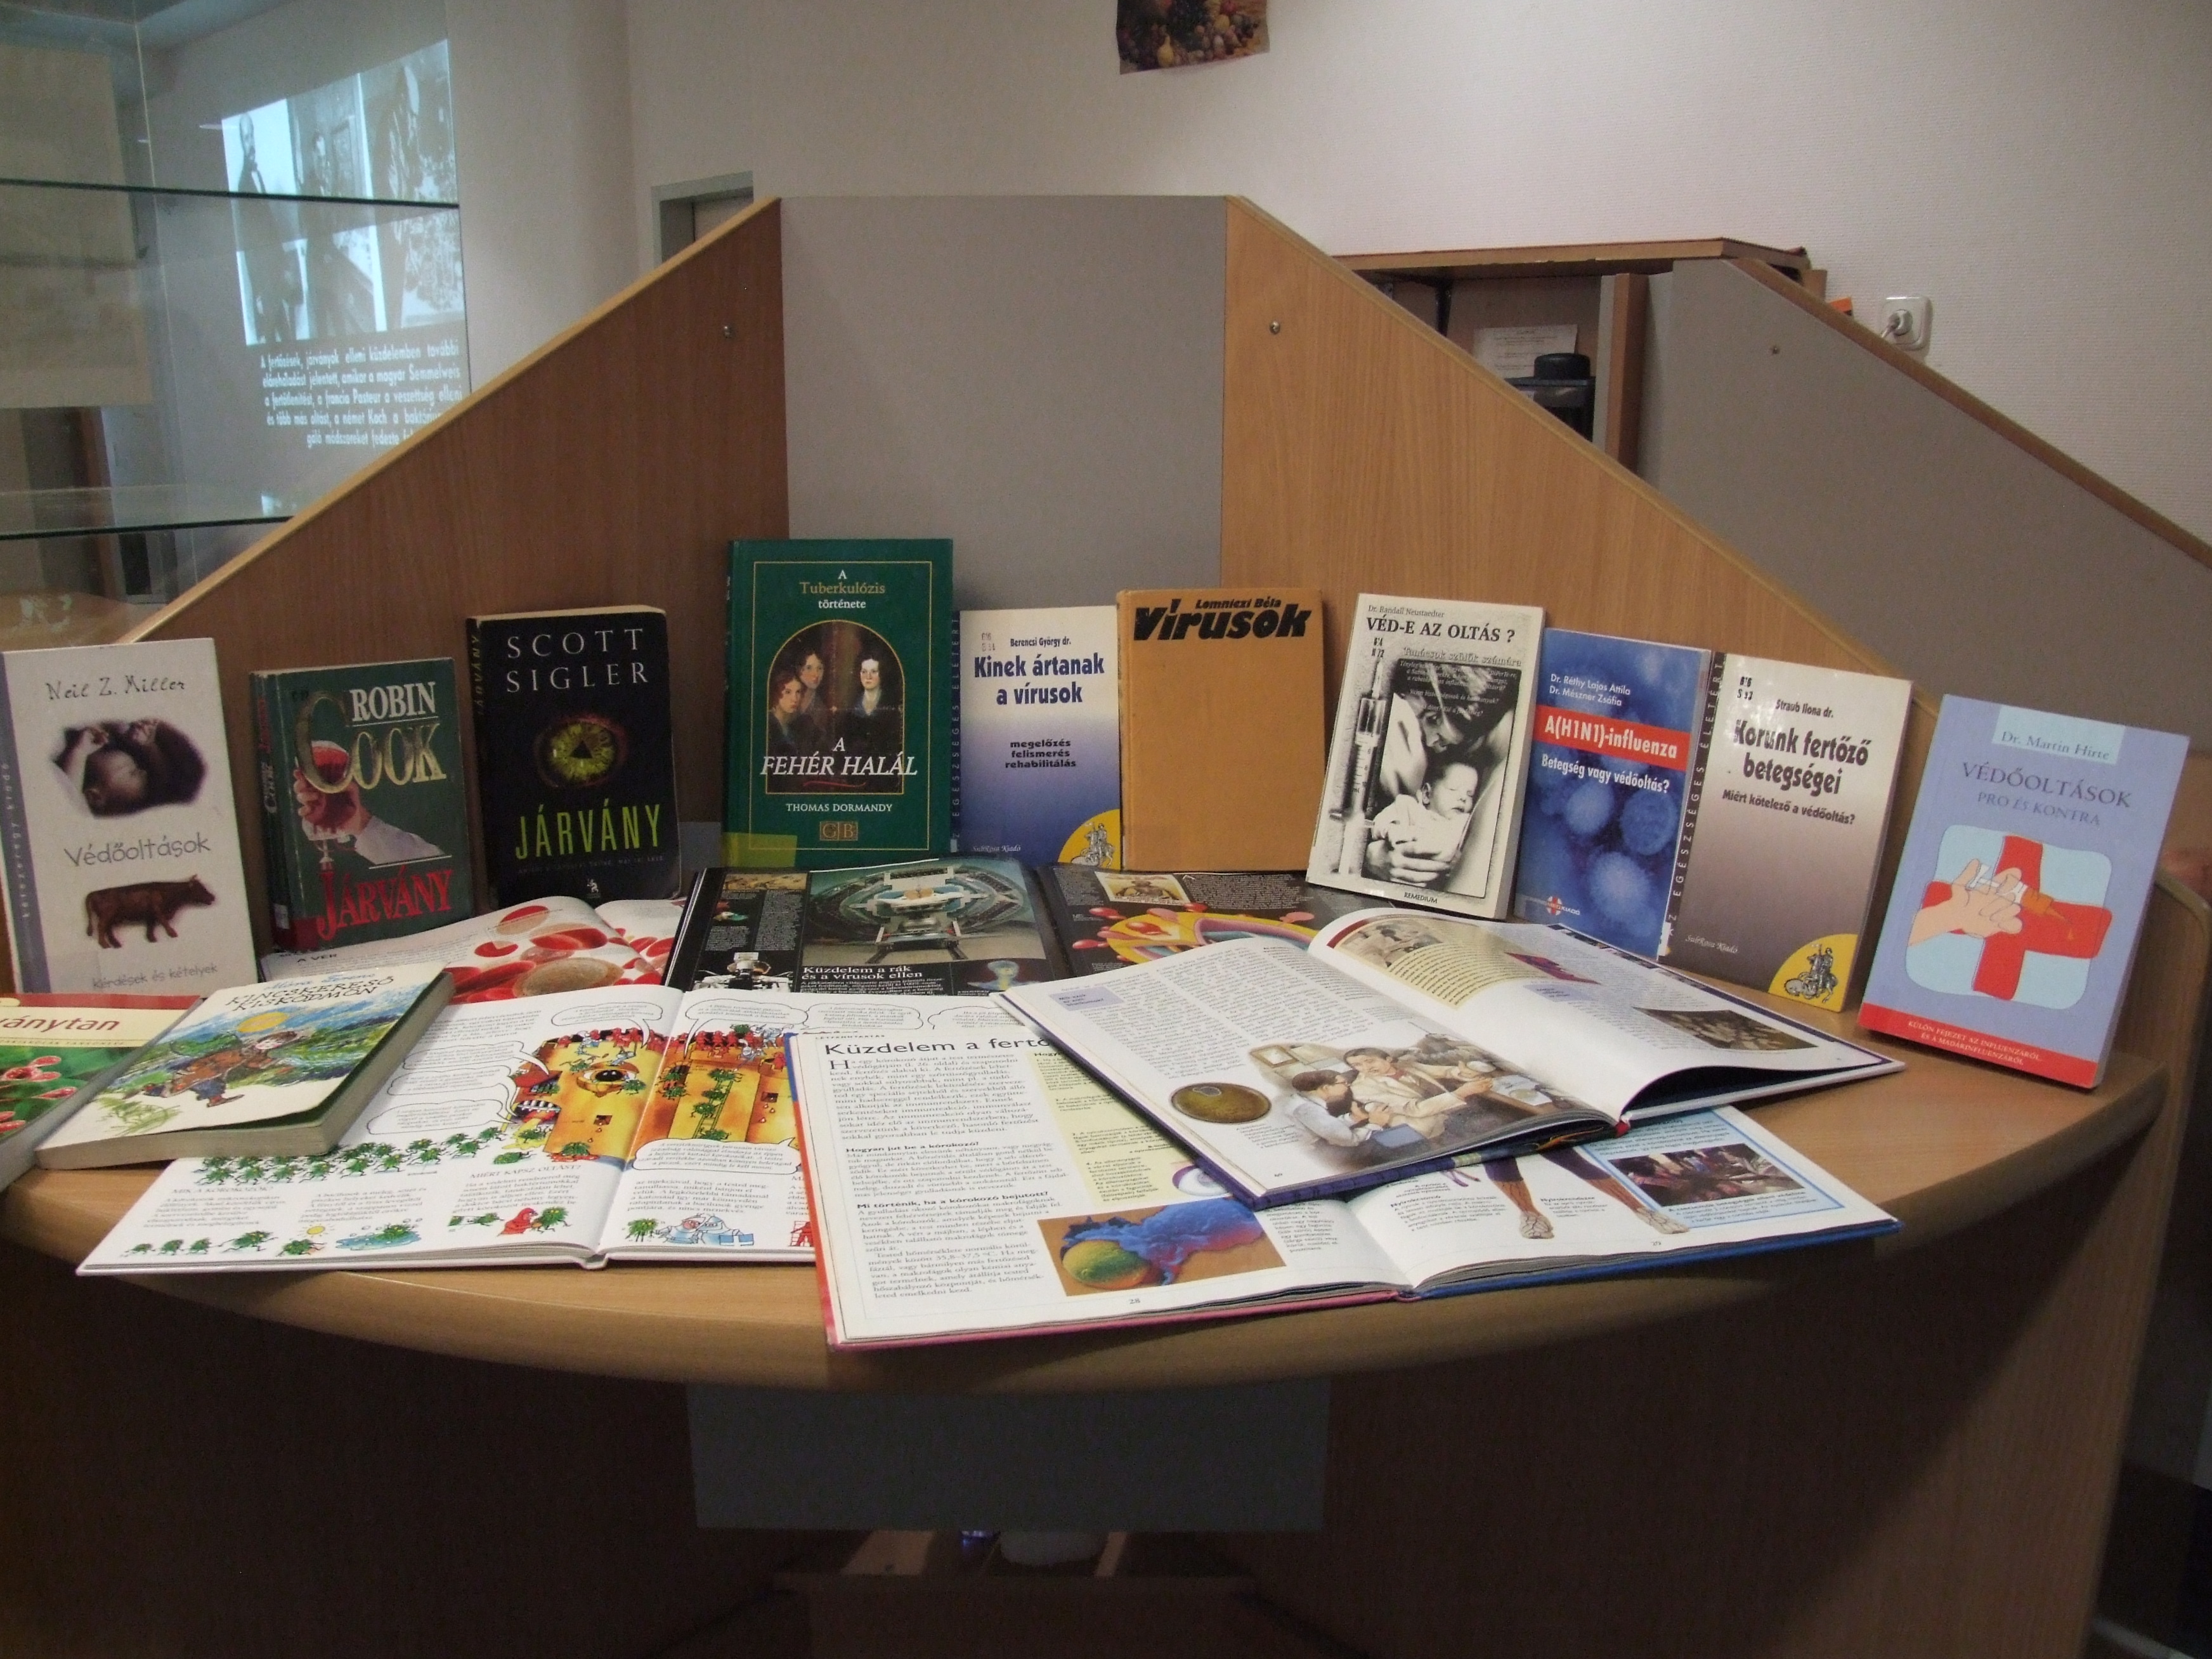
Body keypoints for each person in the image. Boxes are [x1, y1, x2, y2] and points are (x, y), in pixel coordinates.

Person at [1366, 758, 1481, 881]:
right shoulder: (1408, 807)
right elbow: (1378, 824)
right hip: (1395, 871)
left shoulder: (1463, 823)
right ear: (1427, 794)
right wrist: (1392, 829)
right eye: (1453, 789)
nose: (1463, 798)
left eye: (1470, 794)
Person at [1281, 1071, 1376, 1150]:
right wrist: (1375, 1124)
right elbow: (1349, 1140)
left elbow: (1330, 1127)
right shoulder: (1308, 1109)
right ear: (1326, 1088)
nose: (1348, 1086)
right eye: (1344, 1083)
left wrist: (1354, 1118)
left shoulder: (1302, 1101)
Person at [840, 656, 902, 758]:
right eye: (864, 672)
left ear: (881, 674)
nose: (868, 677)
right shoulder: (851, 707)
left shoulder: (892, 706)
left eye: (874, 672)